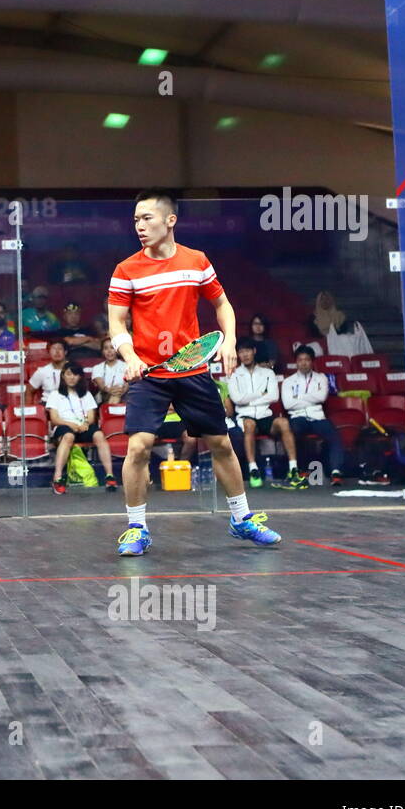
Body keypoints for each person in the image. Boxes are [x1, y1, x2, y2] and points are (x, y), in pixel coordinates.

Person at [107, 189, 281, 555]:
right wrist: (130, 355)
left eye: (147, 218)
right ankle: (137, 528)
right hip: (150, 374)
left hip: (192, 370)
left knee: (220, 443)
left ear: (170, 220)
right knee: (138, 447)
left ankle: (242, 519)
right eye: (136, 219)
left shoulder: (197, 260)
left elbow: (222, 304)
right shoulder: (126, 270)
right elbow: (117, 324)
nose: (139, 226)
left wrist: (230, 340)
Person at [227, 339, 303, 488]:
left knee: (283, 423)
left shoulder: (268, 373)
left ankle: (293, 468)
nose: (245, 354)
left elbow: (273, 396)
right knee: (249, 425)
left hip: (265, 415)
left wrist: (248, 399)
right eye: (241, 352)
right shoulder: (234, 375)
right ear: (238, 354)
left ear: (254, 351)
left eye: (247, 350)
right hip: (245, 416)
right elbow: (237, 399)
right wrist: (261, 394)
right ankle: (253, 469)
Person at [45, 364, 116, 494]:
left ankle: (110, 476)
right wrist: (71, 425)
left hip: (83, 426)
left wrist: (86, 423)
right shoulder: (55, 395)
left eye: (75, 374)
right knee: (68, 437)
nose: (72, 378)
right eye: (69, 374)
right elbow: (54, 419)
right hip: (64, 426)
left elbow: (91, 417)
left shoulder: (86, 395)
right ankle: (58, 478)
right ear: (63, 376)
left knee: (99, 435)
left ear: (80, 377)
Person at [281, 347, 346, 485]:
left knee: (334, 436)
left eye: (307, 360)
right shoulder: (288, 381)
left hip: (318, 417)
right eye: (300, 360)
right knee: (294, 432)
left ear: (312, 362)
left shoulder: (321, 378)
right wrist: (311, 398)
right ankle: (302, 470)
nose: (303, 363)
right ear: (296, 362)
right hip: (297, 417)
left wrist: (298, 399)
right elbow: (287, 405)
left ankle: (335, 472)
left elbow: (321, 397)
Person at [306, 291, 373, 358]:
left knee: (345, 339)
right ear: (318, 302)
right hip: (324, 340)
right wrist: (329, 336)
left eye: (327, 299)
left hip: (339, 340)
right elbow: (314, 333)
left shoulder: (340, 316)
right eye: (322, 299)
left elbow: (343, 330)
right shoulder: (314, 317)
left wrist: (333, 335)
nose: (325, 301)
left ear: (331, 301)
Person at [90, 337, 128, 404]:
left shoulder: (126, 366)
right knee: (114, 397)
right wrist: (111, 390)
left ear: (117, 350)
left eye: (112, 348)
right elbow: (102, 386)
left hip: (123, 397)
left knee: (116, 397)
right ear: (102, 351)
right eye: (106, 348)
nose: (109, 351)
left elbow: (127, 384)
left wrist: (120, 392)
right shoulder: (97, 368)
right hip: (103, 398)